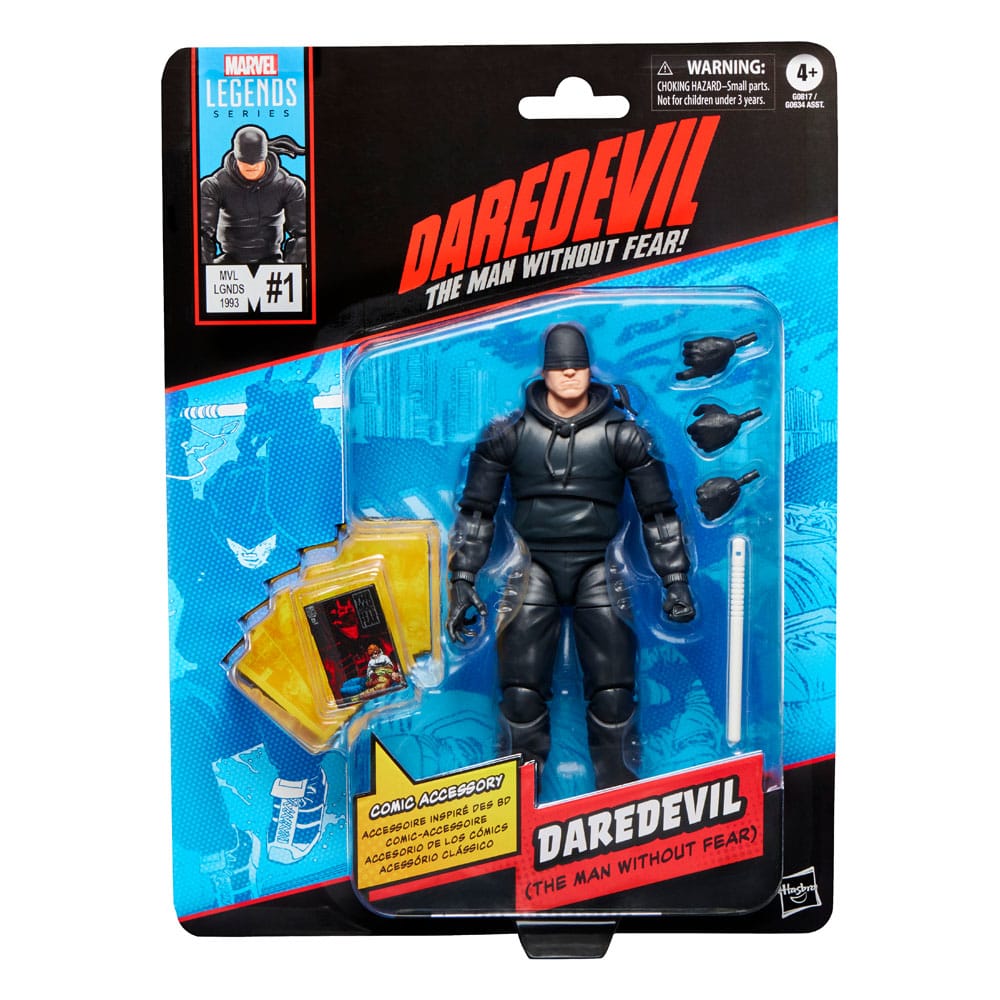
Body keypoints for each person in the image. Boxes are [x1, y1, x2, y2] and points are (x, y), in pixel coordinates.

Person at [446, 322, 695, 789]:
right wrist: (462, 579)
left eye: (577, 366)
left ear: (589, 370)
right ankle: (516, 802)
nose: (568, 374)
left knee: (614, 693)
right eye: (560, 366)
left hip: (598, 566)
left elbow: (659, 513)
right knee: (520, 695)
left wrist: (675, 581)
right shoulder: (508, 435)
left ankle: (618, 798)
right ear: (543, 371)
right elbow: (476, 512)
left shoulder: (623, 435)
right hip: (532, 566)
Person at [200, 126, 307, 264]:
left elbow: (303, 234)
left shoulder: (289, 185)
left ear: (265, 156)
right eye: (245, 163)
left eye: (257, 162)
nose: (251, 167)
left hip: (272, 260)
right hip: (230, 260)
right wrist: (206, 272)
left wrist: (292, 269)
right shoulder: (214, 185)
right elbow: (201, 233)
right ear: (236, 157)